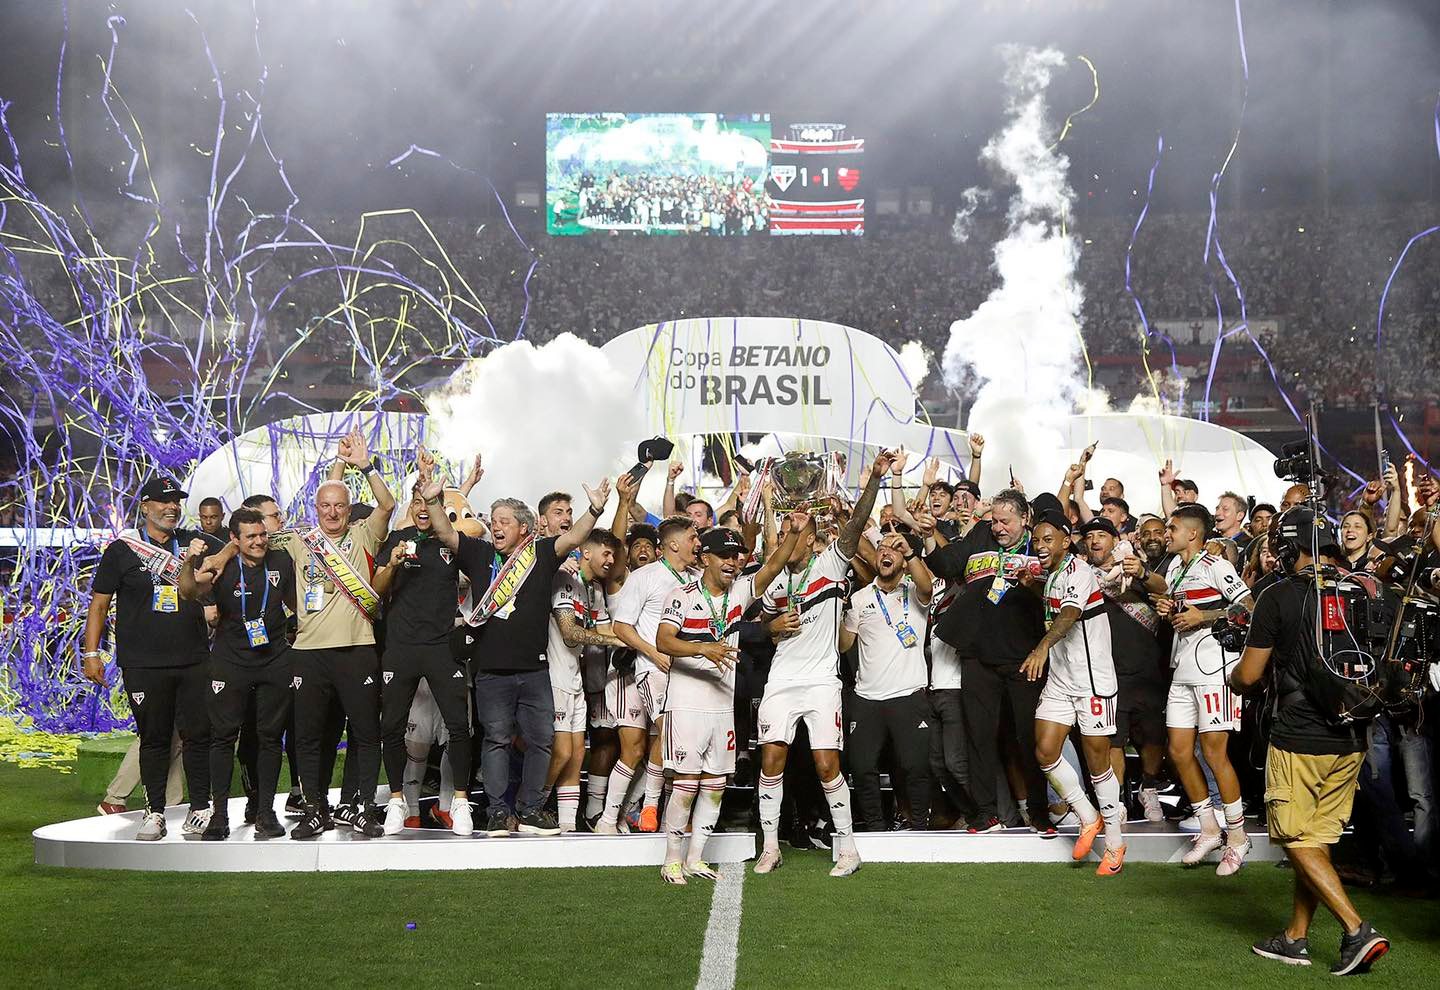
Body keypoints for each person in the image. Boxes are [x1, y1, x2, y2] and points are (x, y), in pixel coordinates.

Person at [1230, 507, 1390, 975]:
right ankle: (1295, 938)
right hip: (1354, 734)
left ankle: (1357, 930)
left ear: (1285, 548)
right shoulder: (1362, 587)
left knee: (1296, 837)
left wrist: (1238, 674)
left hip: (1301, 736)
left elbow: (1250, 674)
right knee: (1316, 839)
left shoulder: (1280, 594)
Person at [753, 452, 888, 877]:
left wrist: (875, 480)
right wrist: (773, 626)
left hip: (821, 681)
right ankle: (770, 848)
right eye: (790, 526)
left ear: (814, 540)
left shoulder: (831, 563)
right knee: (771, 761)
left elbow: (855, 524)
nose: (794, 531)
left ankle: (847, 848)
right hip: (781, 679)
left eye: (801, 528)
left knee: (827, 764)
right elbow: (763, 628)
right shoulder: (774, 577)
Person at [461, 475, 612, 838]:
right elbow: (449, 535)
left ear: (524, 528)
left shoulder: (541, 554)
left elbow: (575, 537)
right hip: (492, 670)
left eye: (503, 522)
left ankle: (529, 811)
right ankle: (498, 812)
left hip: (534, 670)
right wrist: (436, 501)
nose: (494, 527)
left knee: (542, 741)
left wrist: (595, 508)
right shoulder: (481, 554)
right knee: (496, 741)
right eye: (493, 521)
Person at [653, 516, 799, 883]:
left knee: (715, 785)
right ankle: (672, 858)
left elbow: (773, 565)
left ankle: (696, 858)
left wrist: (794, 533)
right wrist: (704, 648)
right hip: (685, 704)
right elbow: (663, 641)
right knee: (686, 784)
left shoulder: (739, 593)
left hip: (722, 706)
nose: (732, 562)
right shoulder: (681, 596)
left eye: (736, 555)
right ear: (705, 558)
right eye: (723, 555)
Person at [82, 478, 221, 840]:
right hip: (143, 662)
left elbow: (213, 581)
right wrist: (91, 653)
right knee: (154, 739)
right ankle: (155, 811)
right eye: (163, 501)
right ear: (144, 507)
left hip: (192, 658)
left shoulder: (194, 544)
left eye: (176, 501)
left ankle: (201, 808)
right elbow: (99, 604)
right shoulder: (122, 551)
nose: (171, 507)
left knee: (197, 736)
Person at [1123, 504, 1254, 875]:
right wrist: (1171, 608)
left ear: (1193, 533)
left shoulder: (1217, 566)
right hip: (1181, 669)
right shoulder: (1177, 568)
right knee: (1179, 752)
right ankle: (1209, 828)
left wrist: (1205, 616)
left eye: (1173, 527)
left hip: (1215, 670)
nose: (1167, 532)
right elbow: (1180, 604)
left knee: (1215, 754)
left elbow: (1249, 606)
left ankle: (1239, 837)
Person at [279, 430, 396, 840]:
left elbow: (388, 504)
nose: (332, 513)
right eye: (325, 507)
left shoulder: (363, 534)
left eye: (340, 506)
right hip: (309, 653)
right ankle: (315, 809)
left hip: (357, 650)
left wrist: (361, 465)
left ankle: (363, 807)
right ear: (316, 509)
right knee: (308, 737)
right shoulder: (299, 541)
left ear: (349, 510)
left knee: (365, 733)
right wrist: (338, 467)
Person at [925, 488, 1049, 834]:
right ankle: (985, 813)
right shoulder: (981, 534)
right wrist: (927, 537)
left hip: (1024, 658)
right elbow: (949, 564)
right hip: (978, 654)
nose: (998, 527)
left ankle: (1039, 813)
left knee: (1028, 738)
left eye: (1005, 521)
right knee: (979, 737)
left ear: (1025, 519)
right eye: (994, 520)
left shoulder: (1040, 544)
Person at [372, 455, 485, 837]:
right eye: (416, 502)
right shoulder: (395, 541)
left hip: (442, 647)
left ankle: (461, 802)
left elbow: (476, 539)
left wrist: (453, 489)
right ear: (409, 507)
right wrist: (392, 566)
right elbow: (375, 591)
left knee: (458, 727)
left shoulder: (453, 544)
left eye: (429, 503)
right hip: (401, 647)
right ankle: (397, 801)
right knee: (392, 727)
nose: (423, 509)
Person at [176, 507, 294, 840]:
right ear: (235, 539)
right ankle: (219, 815)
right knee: (223, 739)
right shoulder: (222, 565)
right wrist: (189, 562)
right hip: (230, 662)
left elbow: (296, 601)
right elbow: (188, 591)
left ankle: (266, 812)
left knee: (270, 738)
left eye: (262, 535)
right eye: (251, 537)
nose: (259, 542)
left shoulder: (282, 560)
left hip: (274, 660)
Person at [1023, 513, 1126, 877]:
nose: (1040, 546)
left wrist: (1041, 648)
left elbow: (1068, 614)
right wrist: (1033, 588)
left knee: (1098, 764)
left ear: (1066, 541)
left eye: (1048, 539)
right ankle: (1087, 816)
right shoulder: (1050, 574)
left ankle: (1114, 843)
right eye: (1037, 540)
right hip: (1063, 680)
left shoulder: (1079, 572)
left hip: (1093, 681)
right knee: (1045, 751)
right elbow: (1057, 604)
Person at [600, 514, 702, 834]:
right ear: (673, 544)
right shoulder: (645, 576)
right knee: (659, 736)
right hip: (650, 669)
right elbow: (621, 627)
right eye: (692, 538)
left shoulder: (697, 578)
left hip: (684, 670)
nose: (697, 543)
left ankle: (657, 812)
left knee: (677, 741)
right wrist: (652, 652)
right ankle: (624, 814)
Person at [839, 532, 935, 834]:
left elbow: (928, 585)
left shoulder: (915, 592)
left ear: (904, 560)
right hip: (867, 698)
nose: (886, 553)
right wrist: (839, 613)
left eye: (894, 549)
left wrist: (909, 553)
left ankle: (919, 825)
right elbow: (844, 646)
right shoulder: (860, 598)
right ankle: (875, 827)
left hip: (908, 695)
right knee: (862, 766)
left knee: (915, 766)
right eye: (881, 548)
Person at [1079, 517, 1167, 823]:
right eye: (1089, 536)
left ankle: (1150, 788)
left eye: (1101, 535)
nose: (1094, 541)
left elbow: (1162, 587)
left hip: (1147, 670)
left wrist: (1141, 571)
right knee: (1113, 740)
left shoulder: (1134, 567)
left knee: (1153, 738)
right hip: (1106, 673)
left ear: (1115, 541)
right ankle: (1116, 801)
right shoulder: (1081, 576)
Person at [546, 529, 627, 832]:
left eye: (613, 555)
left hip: (575, 679)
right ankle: (532, 806)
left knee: (577, 754)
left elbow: (607, 630)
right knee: (562, 752)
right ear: (586, 552)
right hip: (555, 676)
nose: (610, 560)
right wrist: (617, 643)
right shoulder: (564, 579)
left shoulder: (592, 589)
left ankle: (567, 826)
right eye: (605, 553)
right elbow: (569, 633)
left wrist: (637, 641)